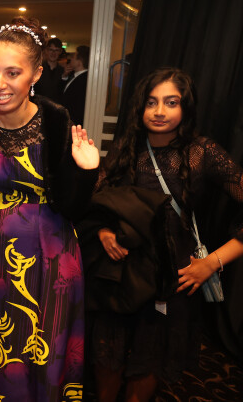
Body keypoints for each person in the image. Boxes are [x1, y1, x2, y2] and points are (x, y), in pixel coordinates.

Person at [0, 16, 100, 401]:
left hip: (50, 254)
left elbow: (74, 207)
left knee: (42, 350)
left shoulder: (55, 119)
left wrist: (87, 172)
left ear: (35, 74)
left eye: (12, 73)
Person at [87, 67, 243, 402]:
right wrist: (103, 230)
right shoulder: (126, 148)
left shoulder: (202, 152)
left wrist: (212, 263)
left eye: (171, 102)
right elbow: (96, 204)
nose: (159, 111)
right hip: (120, 272)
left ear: (186, 106)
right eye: (151, 102)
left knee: (150, 358)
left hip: (171, 279)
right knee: (108, 354)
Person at [60, 45, 90, 126]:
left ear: (79, 62)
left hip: (73, 124)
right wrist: (64, 76)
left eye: (73, 57)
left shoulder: (84, 80)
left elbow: (78, 107)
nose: (70, 59)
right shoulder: (73, 75)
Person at [34, 37, 64, 102]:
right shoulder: (37, 69)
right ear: (46, 51)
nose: (53, 53)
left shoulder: (64, 72)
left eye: (56, 50)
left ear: (60, 52)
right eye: (51, 50)